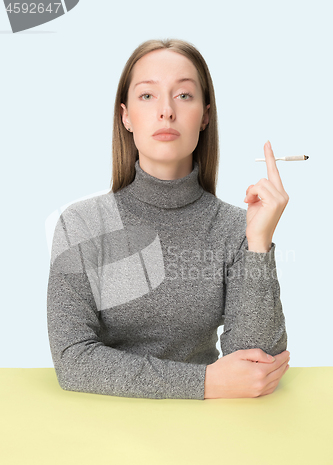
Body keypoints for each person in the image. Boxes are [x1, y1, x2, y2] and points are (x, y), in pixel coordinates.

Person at [47, 38, 290, 400]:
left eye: (184, 95)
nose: (166, 112)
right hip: (100, 430)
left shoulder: (235, 228)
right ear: (125, 116)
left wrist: (258, 243)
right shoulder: (81, 224)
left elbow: (256, 368)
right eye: (147, 96)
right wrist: (205, 382)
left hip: (207, 432)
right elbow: (73, 359)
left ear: (205, 115)